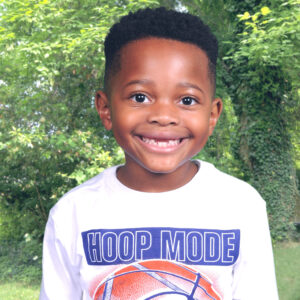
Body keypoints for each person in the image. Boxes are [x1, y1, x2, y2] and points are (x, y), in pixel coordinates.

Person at [39, 7, 278, 300]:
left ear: (212, 114)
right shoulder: (71, 213)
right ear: (105, 108)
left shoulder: (242, 205)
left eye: (187, 100)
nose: (164, 116)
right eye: (140, 97)